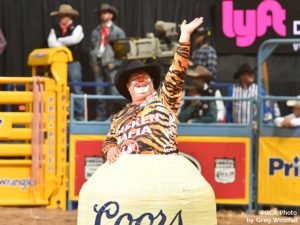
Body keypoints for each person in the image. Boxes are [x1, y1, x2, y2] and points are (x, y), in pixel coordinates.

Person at [102, 17, 204, 163]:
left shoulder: (164, 101)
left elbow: (176, 73)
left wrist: (185, 36)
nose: (141, 79)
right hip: (129, 176)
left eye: (145, 77)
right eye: (135, 78)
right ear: (128, 87)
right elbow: (109, 139)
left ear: (153, 83)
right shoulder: (118, 117)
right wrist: (110, 147)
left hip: (161, 174)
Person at [47, 4, 84, 120]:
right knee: (58, 87)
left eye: (63, 16)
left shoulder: (77, 27)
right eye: (60, 16)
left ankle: (79, 116)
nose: (61, 18)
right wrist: (63, 43)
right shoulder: (55, 28)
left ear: (69, 16)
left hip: (73, 62)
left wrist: (59, 41)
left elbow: (74, 39)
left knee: (76, 87)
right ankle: (59, 114)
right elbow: (50, 43)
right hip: (57, 63)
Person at [89, 4, 126, 121]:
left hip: (111, 64)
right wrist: (93, 63)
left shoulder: (118, 32)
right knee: (99, 90)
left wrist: (114, 63)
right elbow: (91, 49)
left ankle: (115, 115)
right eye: (101, 13)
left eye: (105, 12)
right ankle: (100, 116)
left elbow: (123, 52)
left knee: (113, 91)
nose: (102, 15)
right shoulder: (96, 31)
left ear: (111, 15)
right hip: (98, 63)